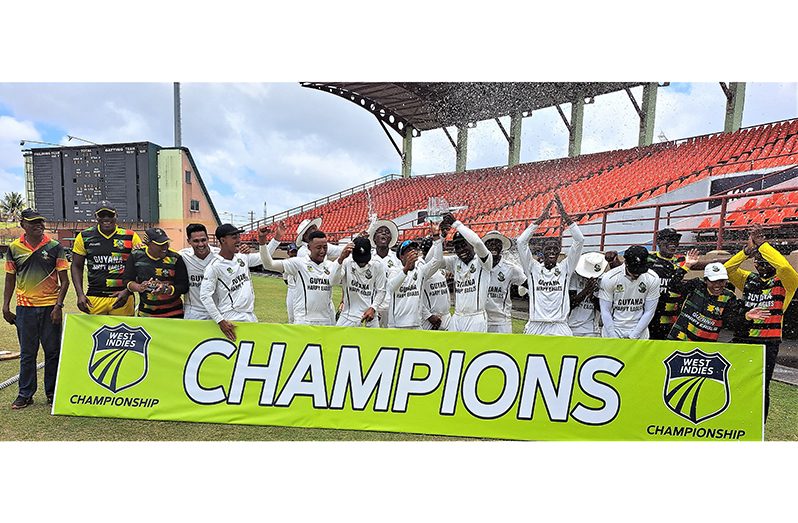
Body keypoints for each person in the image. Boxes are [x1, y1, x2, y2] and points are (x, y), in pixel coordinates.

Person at [724, 225, 798, 419]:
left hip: (768, 342)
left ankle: (758, 424)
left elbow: (783, 266)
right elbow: (727, 270)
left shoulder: (787, 282)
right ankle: (734, 415)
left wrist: (763, 245)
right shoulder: (749, 279)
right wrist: (746, 252)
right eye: (757, 261)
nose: (760, 265)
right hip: (743, 337)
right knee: (734, 380)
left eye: (765, 261)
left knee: (762, 384)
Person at [3, 209, 69, 409]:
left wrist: (58, 306)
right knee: (27, 354)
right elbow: (10, 278)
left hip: (50, 308)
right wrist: (5, 305)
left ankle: (52, 393)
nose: (38, 225)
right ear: (24, 224)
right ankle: (25, 394)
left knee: (52, 353)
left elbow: (64, 282)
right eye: (33, 223)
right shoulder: (14, 248)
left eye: (40, 222)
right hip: (25, 309)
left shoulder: (55, 247)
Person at [516, 195, 585, 336]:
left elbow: (579, 240)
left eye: (555, 248)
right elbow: (521, 242)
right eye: (548, 248)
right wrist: (540, 219)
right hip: (536, 324)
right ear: (542, 252)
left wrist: (564, 215)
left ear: (559, 251)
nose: (552, 251)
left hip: (559, 325)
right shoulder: (532, 268)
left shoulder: (565, 268)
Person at [667, 257, 769, 342]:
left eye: (721, 281)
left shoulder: (728, 297)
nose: (717, 285)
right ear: (706, 280)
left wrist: (746, 317)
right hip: (679, 340)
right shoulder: (696, 285)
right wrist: (686, 266)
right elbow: (673, 286)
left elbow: (731, 321)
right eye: (713, 281)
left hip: (706, 347)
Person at [260, 224, 341, 326]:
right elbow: (268, 264)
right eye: (318, 248)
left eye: (325, 247)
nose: (322, 251)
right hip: (304, 322)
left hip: (326, 322)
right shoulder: (298, 263)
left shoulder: (330, 265)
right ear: (309, 247)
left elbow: (337, 280)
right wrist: (262, 242)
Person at [70, 201, 141, 316]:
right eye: (102, 215)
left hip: (122, 297)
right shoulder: (84, 237)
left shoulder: (131, 236)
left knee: (122, 333)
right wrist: (80, 294)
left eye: (110, 215)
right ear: (96, 217)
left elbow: (140, 266)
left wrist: (127, 291)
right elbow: (76, 266)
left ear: (116, 215)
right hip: (95, 296)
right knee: (95, 333)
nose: (106, 218)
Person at [199, 224, 263, 341]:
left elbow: (263, 257)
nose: (239, 240)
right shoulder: (214, 266)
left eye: (239, 236)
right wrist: (220, 321)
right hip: (232, 317)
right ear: (223, 240)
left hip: (250, 314)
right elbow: (204, 296)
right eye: (234, 237)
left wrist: (276, 239)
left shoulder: (242, 258)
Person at [119, 227, 189, 318]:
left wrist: (166, 289)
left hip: (174, 315)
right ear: (148, 244)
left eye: (166, 243)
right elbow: (127, 280)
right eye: (160, 244)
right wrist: (139, 287)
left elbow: (184, 286)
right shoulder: (136, 256)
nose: (165, 247)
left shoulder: (175, 258)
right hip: (146, 315)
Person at [441, 215, 493, 333]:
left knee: (473, 350)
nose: (461, 250)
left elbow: (478, 243)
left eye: (464, 245)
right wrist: (441, 236)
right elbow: (433, 260)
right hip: (457, 316)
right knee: (452, 349)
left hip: (476, 317)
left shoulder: (483, 261)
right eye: (457, 247)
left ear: (470, 245)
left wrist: (457, 224)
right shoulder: (455, 261)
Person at [387, 225, 444, 329]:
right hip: (396, 325)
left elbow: (438, 260)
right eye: (408, 250)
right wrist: (406, 268)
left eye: (414, 249)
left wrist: (436, 237)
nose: (412, 251)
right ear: (401, 256)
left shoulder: (421, 271)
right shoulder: (394, 271)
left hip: (416, 325)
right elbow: (391, 287)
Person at [598, 245, 661, 339]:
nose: (637, 274)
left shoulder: (652, 278)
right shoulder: (610, 278)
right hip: (613, 330)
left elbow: (649, 311)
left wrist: (635, 335)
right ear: (626, 263)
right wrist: (612, 335)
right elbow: (605, 310)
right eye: (634, 271)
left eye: (640, 271)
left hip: (640, 332)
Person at [331, 236, 387, 328]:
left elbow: (381, 290)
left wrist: (373, 308)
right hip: (347, 316)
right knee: (336, 340)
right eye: (359, 260)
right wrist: (340, 259)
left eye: (364, 260)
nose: (362, 263)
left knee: (372, 342)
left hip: (369, 317)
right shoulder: (346, 262)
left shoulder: (378, 264)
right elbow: (333, 281)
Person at [647, 228, 690, 340]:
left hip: (672, 320)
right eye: (669, 240)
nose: (673, 243)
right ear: (658, 242)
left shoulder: (682, 260)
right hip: (650, 318)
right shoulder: (649, 259)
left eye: (675, 240)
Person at [482, 230, 526, 334]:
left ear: (502, 246)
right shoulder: (478, 265)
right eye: (490, 243)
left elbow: (529, 284)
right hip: (481, 319)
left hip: (501, 321)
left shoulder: (510, 268)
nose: (493, 246)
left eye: (497, 243)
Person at [179, 223, 220, 320]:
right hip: (194, 311)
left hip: (218, 310)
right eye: (196, 241)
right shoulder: (182, 256)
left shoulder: (219, 255)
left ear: (208, 238)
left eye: (203, 240)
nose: (201, 244)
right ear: (189, 241)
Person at [369, 218, 401, 327]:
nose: (384, 233)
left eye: (387, 232)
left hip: (392, 309)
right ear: (374, 238)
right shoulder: (367, 259)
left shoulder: (398, 259)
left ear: (390, 239)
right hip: (371, 309)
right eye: (380, 231)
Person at [568, 252, 608, 337]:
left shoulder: (604, 280)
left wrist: (592, 296)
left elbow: (603, 308)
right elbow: (570, 304)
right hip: (572, 327)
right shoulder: (574, 277)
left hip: (592, 329)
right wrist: (586, 290)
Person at [418, 235, 452, 331]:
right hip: (430, 319)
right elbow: (416, 297)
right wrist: (428, 316)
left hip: (446, 315)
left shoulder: (440, 266)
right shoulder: (420, 267)